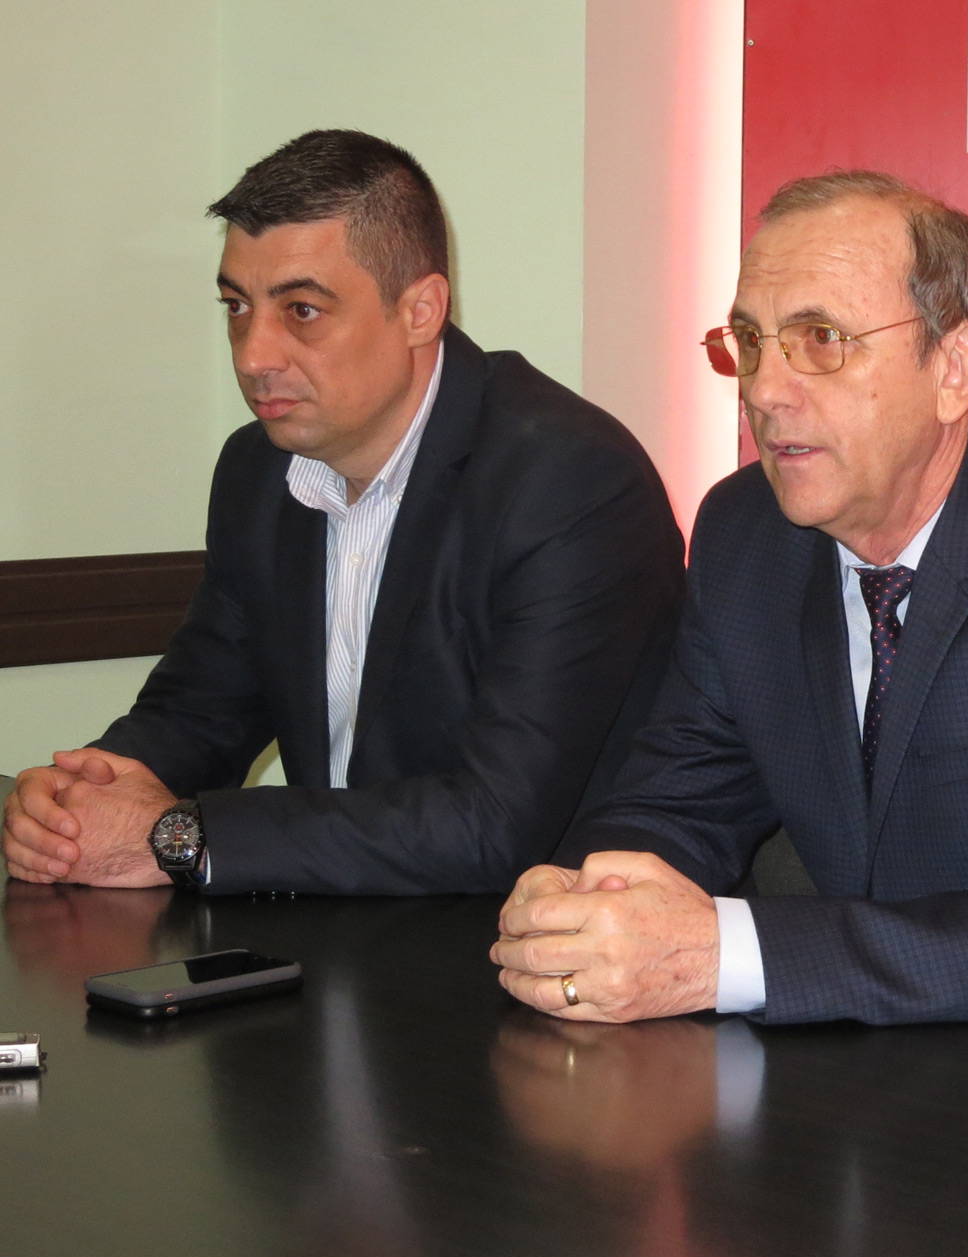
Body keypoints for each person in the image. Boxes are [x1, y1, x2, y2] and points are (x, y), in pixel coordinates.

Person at [490, 171, 968, 1025]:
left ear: (954, 368)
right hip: (847, 1056)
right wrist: (586, 901)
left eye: (821, 339)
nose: (764, 389)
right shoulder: (744, 535)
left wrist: (725, 956)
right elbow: (677, 802)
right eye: (750, 340)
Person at [1, 130, 682, 896]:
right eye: (237, 306)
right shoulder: (258, 471)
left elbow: (493, 824)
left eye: (302, 310)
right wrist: (76, 800)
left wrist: (180, 836)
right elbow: (200, 710)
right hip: (339, 928)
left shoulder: (568, 481)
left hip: (544, 937)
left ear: (421, 309)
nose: (253, 355)